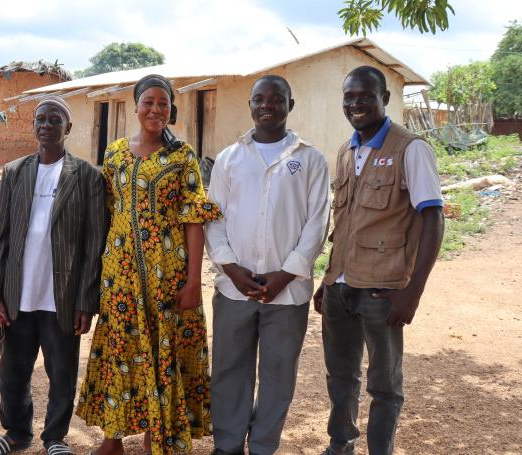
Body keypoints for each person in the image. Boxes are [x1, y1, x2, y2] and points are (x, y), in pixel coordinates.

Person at [77, 74, 222, 455]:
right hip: (121, 275)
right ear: (136, 105)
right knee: (120, 350)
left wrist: (193, 280)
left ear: (171, 109)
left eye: (164, 103)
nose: (156, 109)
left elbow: (194, 218)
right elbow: (107, 212)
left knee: (164, 351)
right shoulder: (115, 153)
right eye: (149, 102)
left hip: (168, 275)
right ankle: (113, 439)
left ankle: (155, 437)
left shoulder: (182, 155)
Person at [314, 66, 444, 455]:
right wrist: (327, 279)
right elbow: (344, 223)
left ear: (385, 99)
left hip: (383, 291)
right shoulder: (345, 149)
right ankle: (341, 446)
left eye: (366, 96)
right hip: (340, 288)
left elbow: (433, 218)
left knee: (384, 386)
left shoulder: (410, 149)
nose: (356, 104)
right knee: (340, 377)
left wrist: (413, 292)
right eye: (349, 97)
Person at [205, 75, 331, 455]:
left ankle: (262, 446)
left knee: (277, 374)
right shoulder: (230, 158)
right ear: (250, 105)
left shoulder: (310, 159)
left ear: (289, 105)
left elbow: (317, 221)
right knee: (229, 370)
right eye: (259, 99)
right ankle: (227, 445)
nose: (267, 106)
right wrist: (231, 268)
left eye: (276, 99)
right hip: (233, 288)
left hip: (287, 291)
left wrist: (286, 274)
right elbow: (213, 217)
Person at [0, 97, 106, 455]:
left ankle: (55, 437)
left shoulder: (86, 176)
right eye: (41, 119)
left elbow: (93, 244)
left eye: (56, 120)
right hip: (17, 292)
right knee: (12, 373)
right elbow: (1, 237)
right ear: (34, 126)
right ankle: (17, 433)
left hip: (63, 296)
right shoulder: (14, 171)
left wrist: (86, 299)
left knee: (62, 373)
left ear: (67, 129)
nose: (47, 125)